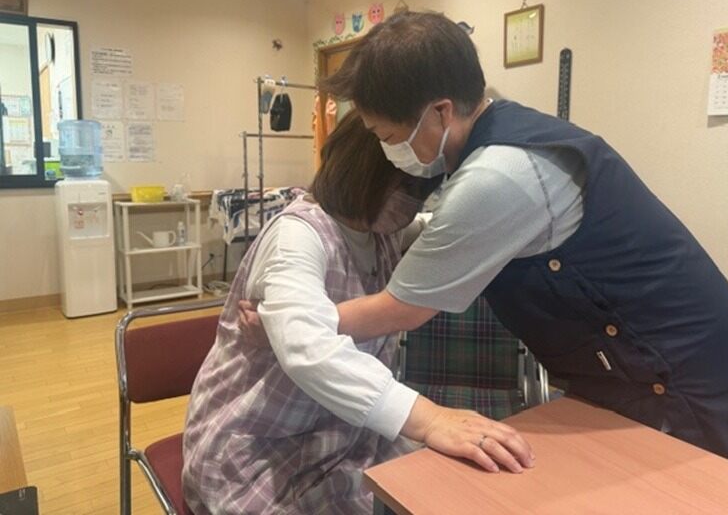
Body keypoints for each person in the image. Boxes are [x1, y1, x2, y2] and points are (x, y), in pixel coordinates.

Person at [315, 11, 728, 471]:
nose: (390, 151)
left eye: (388, 136)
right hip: (648, 360)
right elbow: (453, 231)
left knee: (696, 494)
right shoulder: (505, 132)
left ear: (440, 111)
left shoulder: (496, 176)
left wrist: (296, 321)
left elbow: (401, 309)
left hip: (678, 376)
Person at [181, 111, 534, 515]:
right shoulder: (297, 237)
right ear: (362, 171)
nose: (411, 206)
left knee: (446, 487)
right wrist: (431, 419)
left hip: (337, 431)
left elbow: (435, 227)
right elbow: (308, 348)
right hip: (258, 444)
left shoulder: (380, 232)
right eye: (406, 190)